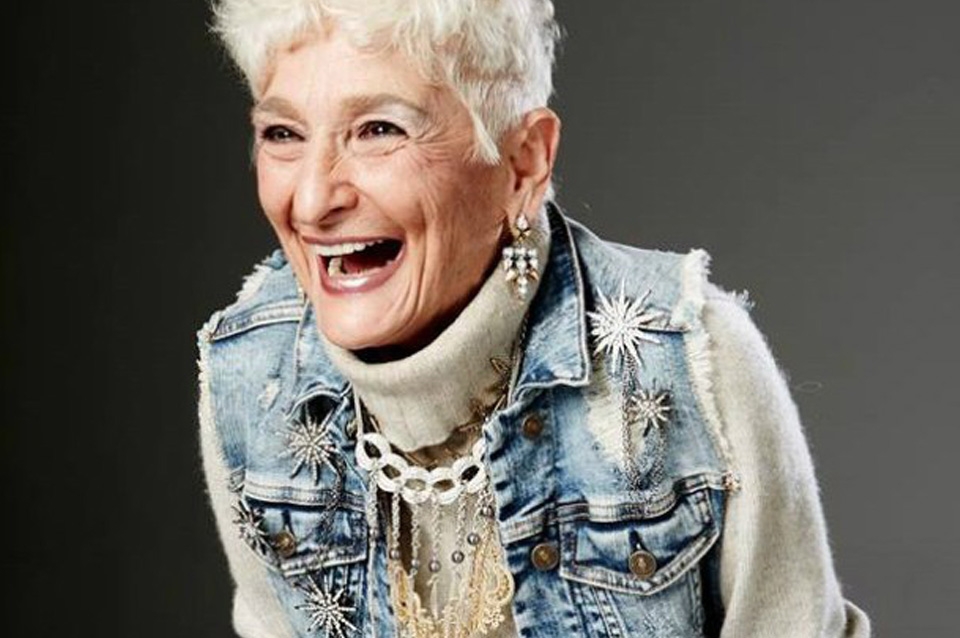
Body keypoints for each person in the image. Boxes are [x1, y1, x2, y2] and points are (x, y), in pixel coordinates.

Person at [197, 1, 871, 636]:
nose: (312, 200)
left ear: (524, 163)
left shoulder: (689, 361)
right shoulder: (252, 379)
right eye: (283, 134)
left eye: (379, 130)